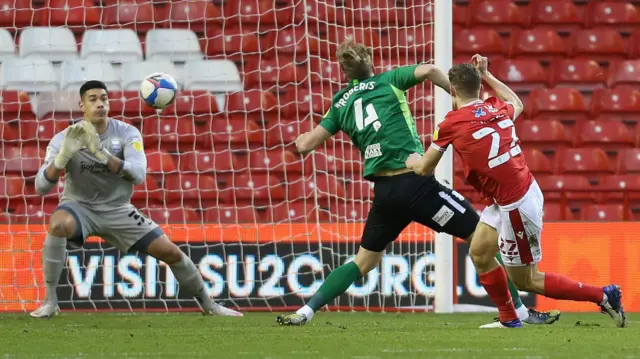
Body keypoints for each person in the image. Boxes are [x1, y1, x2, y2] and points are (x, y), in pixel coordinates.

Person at [276, 38, 557, 327]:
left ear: (343, 72)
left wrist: (294, 145)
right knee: (480, 240)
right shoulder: (389, 80)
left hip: (385, 194)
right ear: (370, 61)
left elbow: (308, 143)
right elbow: (428, 70)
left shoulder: (340, 103)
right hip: (417, 185)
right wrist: (456, 94)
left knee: (363, 262)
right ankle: (519, 312)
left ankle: (305, 311)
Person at [405, 54, 627, 328]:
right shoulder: (496, 108)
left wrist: (410, 160)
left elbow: (425, 168)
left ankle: (604, 296)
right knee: (480, 252)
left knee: (527, 280)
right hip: (513, 194)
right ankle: (510, 318)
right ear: (479, 87)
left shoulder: (451, 123)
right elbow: (517, 103)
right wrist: (488, 75)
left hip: (516, 205)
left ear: (452, 92)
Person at [30, 80, 242, 318]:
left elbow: (139, 176)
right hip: (80, 207)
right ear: (81, 105)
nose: (100, 104)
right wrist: (61, 160)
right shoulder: (64, 138)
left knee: (170, 252)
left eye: (104, 98)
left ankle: (209, 304)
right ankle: (50, 301)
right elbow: (40, 187)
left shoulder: (127, 132)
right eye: (93, 99)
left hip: (118, 209)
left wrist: (102, 155)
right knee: (58, 224)